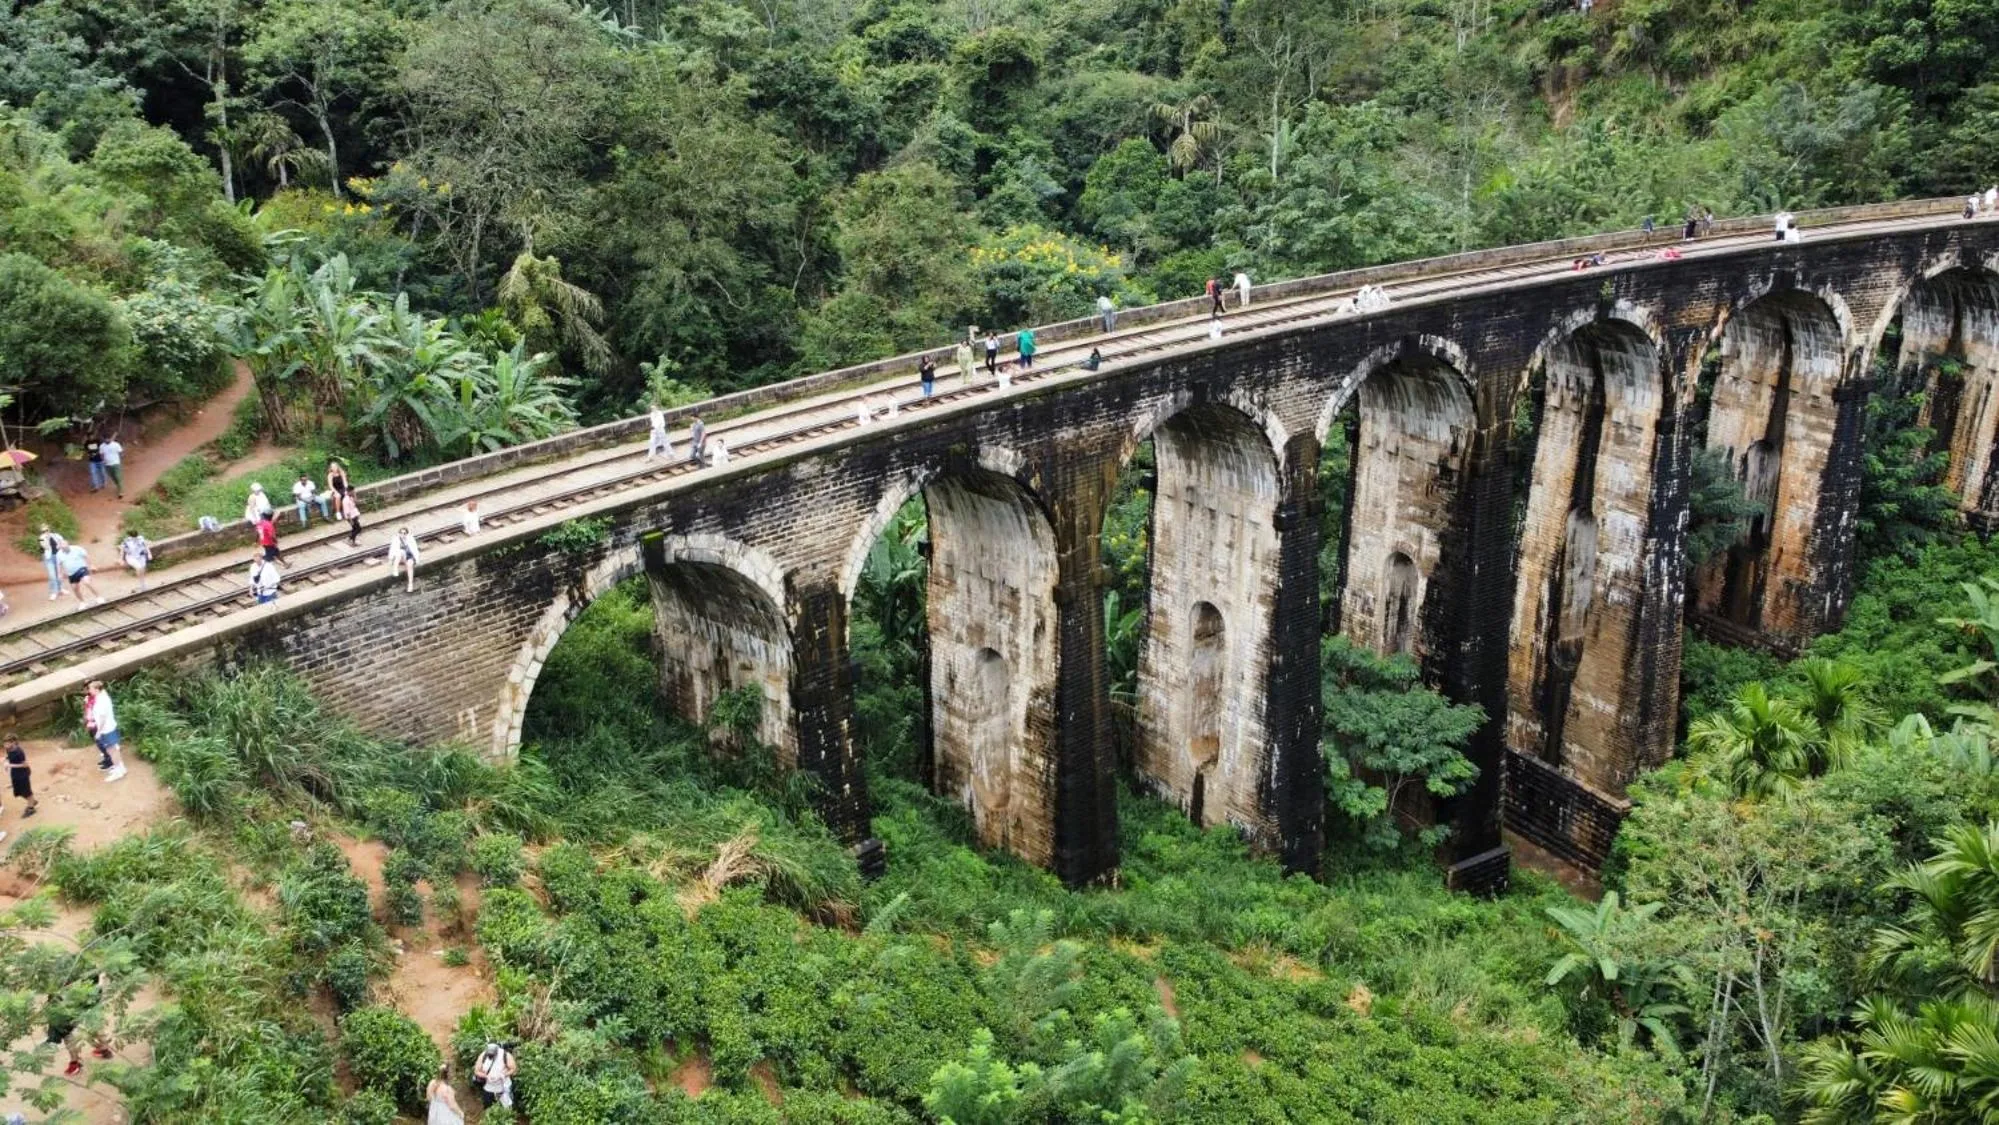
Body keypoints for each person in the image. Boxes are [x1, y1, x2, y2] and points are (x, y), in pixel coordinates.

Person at [87, 680, 124, 781]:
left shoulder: (102, 700)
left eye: (90, 688)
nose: (89, 690)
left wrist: (98, 732)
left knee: (111, 750)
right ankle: (121, 768)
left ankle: (118, 771)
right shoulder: (101, 696)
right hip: (108, 728)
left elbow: (103, 718)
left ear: (97, 690)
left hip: (106, 729)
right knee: (113, 749)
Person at [473, 1042, 517, 1109]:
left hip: (504, 1088)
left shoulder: (505, 1055)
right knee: (488, 1107)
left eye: (492, 1056)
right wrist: (486, 1076)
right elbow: (476, 1071)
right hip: (488, 1088)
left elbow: (513, 1069)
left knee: (507, 1108)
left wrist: (503, 1075)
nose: (490, 1057)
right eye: (489, 1055)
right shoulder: (483, 1055)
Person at [59, 543, 103, 607]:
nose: (64, 549)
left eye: (65, 547)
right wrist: (60, 573)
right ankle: (82, 602)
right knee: (75, 588)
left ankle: (99, 597)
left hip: (81, 568)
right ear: (61, 548)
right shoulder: (59, 554)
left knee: (87, 582)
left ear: (68, 545)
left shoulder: (77, 548)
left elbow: (86, 556)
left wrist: (91, 565)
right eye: (62, 548)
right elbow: (59, 564)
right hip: (71, 573)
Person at [6, 734, 36, 820]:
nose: (5, 745)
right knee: (18, 791)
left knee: (26, 791)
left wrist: (10, 765)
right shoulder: (9, 749)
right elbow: (9, 757)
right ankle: (32, 801)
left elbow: (25, 764)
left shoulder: (19, 752)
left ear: (14, 742)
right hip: (15, 773)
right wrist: (5, 760)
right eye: (5, 743)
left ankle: (31, 809)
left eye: (8, 743)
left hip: (23, 773)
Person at [37, 525, 66, 602]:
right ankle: (53, 592)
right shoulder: (41, 538)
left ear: (49, 529)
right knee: (52, 575)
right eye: (43, 531)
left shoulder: (56, 535)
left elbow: (62, 542)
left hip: (58, 556)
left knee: (59, 573)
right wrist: (47, 538)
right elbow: (45, 547)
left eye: (46, 530)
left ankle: (60, 589)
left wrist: (59, 545)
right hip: (48, 558)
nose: (45, 532)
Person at [388, 528, 420, 593]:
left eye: (404, 533)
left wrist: (416, 559)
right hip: (399, 557)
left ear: (407, 534)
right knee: (401, 552)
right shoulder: (396, 540)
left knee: (409, 565)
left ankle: (410, 584)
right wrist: (391, 559)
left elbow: (415, 549)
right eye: (401, 533)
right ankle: (395, 569)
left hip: (409, 556)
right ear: (399, 534)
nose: (403, 534)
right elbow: (392, 550)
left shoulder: (410, 539)